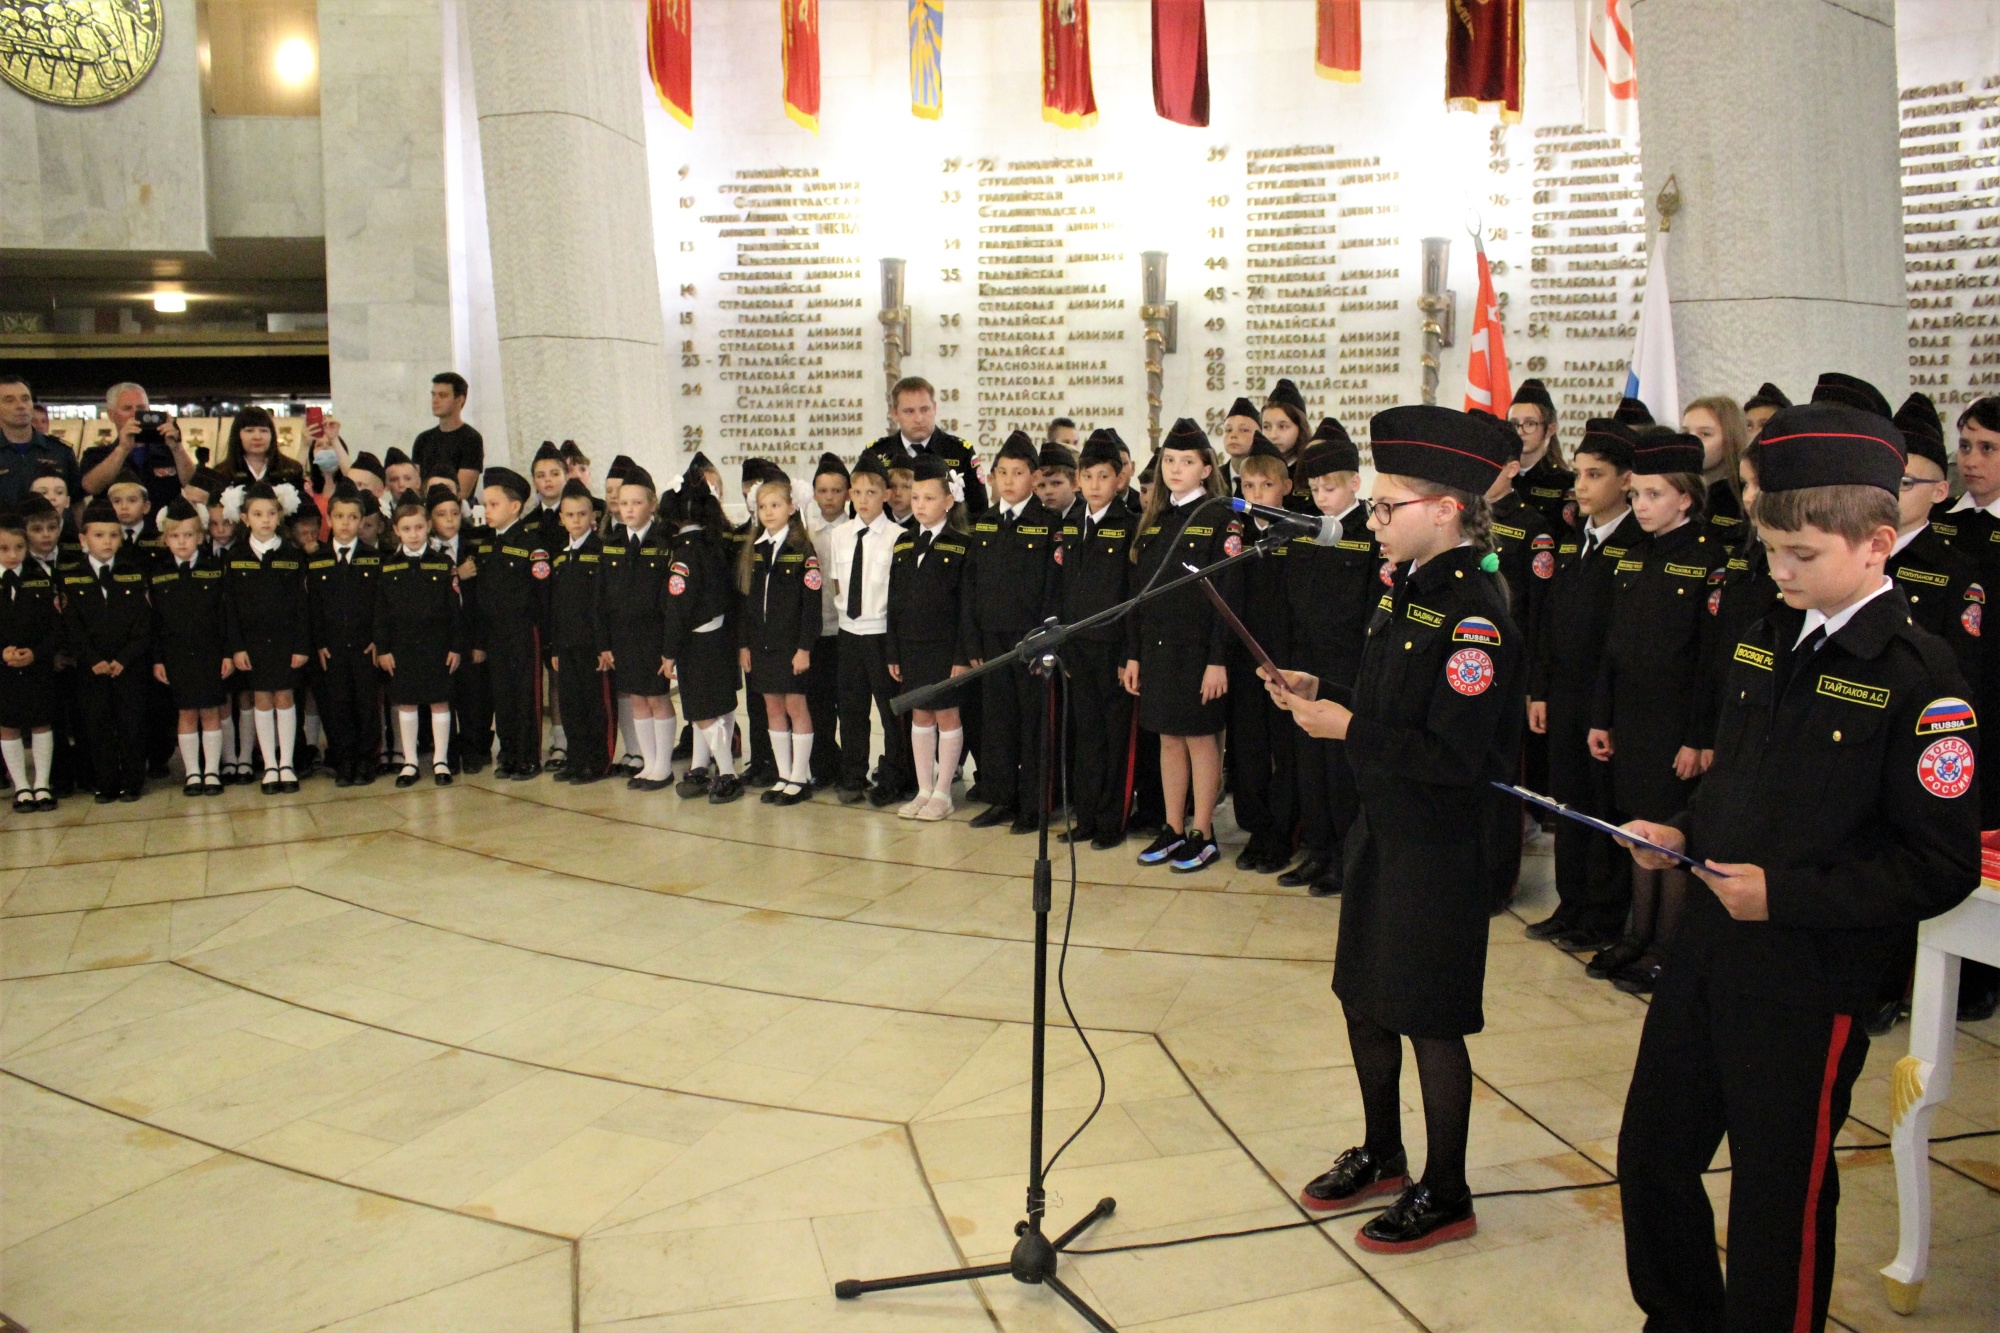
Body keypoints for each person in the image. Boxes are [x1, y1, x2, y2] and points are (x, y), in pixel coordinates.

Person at [1614, 401, 1979, 1333]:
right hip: (1707, 949)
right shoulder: (1770, 633)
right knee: (1653, 1153)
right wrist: (1684, 830)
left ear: (1878, 543)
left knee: (1780, 1197)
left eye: (1800, 554)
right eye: (1770, 548)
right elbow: (1745, 783)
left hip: (1809, 977)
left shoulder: (1919, 677)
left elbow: (1939, 867)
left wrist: (1784, 894)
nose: (1777, 570)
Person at [1271, 404, 1523, 1254]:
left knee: (1429, 1015)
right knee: (1363, 997)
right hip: (1385, 827)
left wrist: (1348, 729)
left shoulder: (1477, 615)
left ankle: (1446, 1188)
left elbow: (1454, 754)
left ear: (1445, 509)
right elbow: (1388, 691)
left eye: (1387, 507)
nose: (1373, 521)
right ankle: (1384, 1151)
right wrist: (1323, 685)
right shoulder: (1410, 590)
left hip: (1442, 842)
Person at [1586, 430, 1724, 994]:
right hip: (1633, 720)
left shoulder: (1711, 562)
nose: (1641, 506)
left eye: (1654, 495)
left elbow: (1710, 663)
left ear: (1686, 498)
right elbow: (1612, 647)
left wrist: (1698, 737)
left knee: (1668, 834)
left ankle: (1668, 946)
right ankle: (1638, 934)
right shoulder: (1632, 558)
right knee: (1637, 826)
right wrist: (1601, 716)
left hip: (1676, 724)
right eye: (1637, 495)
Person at [1525, 420, 1645, 950]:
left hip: (1605, 704)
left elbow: (1620, 642)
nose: (1581, 485)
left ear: (1625, 481)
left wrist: (1606, 710)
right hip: (1566, 697)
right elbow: (1551, 624)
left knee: (1602, 810)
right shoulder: (1580, 541)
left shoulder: (1636, 548)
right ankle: (1570, 903)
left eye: (1595, 475)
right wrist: (1541, 689)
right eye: (1578, 473)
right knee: (1566, 805)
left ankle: (1601, 915)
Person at [1121, 418, 1243, 873]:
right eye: (1169, 460)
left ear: (1206, 468)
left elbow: (1227, 596)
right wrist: (1132, 653)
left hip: (1198, 652)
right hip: (1158, 649)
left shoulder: (1220, 518)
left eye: (1186, 461)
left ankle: (1203, 831)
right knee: (1169, 739)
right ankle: (1173, 828)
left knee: (1200, 739)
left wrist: (1217, 661)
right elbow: (1137, 594)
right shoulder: (1152, 521)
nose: (1175, 469)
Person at [1277, 428, 1376, 896]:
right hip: (1305, 665)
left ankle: (1343, 857)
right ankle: (1316, 850)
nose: (1320, 497)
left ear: (1355, 484)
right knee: (1308, 766)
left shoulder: (1371, 532)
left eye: (1329, 487)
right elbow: (1295, 603)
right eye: (1314, 489)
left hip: (1346, 669)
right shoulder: (1305, 529)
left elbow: (1375, 608)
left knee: (1341, 771)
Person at [960, 430, 1061, 833]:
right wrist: (972, 639)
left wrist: (1042, 643)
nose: (1007, 480)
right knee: (997, 725)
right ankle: (1000, 797)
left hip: (1029, 644)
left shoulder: (1048, 524)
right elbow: (970, 588)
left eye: (1017, 472)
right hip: (991, 642)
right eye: (1001, 471)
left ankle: (1034, 806)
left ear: (1034, 479)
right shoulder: (984, 522)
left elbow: (1052, 591)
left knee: (1032, 725)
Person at [1055, 432, 1136, 848]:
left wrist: (1128, 653)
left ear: (1118, 478)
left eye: (1103, 476)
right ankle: (1086, 815)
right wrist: (1063, 645)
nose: (1094, 485)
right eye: (1087, 477)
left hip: (1113, 649)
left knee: (1115, 736)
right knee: (1086, 735)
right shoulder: (1071, 524)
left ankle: (1111, 821)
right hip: (1078, 647)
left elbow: (1135, 596)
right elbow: (1064, 590)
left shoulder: (1129, 526)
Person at [1227, 436, 1299, 873]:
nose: (1256, 495)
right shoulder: (1233, 535)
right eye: (1248, 486)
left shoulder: (1297, 533)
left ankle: (1283, 832)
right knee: (1248, 750)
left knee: (1284, 750)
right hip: (1242, 659)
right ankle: (1256, 829)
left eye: (1265, 486)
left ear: (1285, 487)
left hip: (1285, 659)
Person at [886, 454, 971, 820]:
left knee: (947, 715)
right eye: (916, 497)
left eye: (929, 498)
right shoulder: (904, 544)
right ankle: (924, 788)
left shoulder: (960, 545)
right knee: (920, 714)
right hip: (912, 648)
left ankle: (943, 791)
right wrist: (893, 650)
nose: (920, 505)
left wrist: (962, 655)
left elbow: (966, 608)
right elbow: (894, 602)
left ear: (949, 502)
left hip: (946, 649)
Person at [830, 455, 913, 807]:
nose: (864, 499)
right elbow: (837, 582)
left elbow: (898, 596)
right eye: (858, 492)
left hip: (881, 633)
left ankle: (895, 775)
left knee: (890, 710)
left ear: (887, 494)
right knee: (850, 708)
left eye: (872, 491)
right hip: (849, 631)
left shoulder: (899, 537)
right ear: (850, 494)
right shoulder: (840, 535)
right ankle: (853, 773)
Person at [739, 472, 824, 805]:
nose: (768, 512)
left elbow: (811, 605)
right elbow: (747, 602)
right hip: (763, 645)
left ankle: (800, 777)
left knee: (795, 705)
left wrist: (804, 647)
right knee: (772, 706)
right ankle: (783, 774)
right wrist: (745, 644)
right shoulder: (756, 550)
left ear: (791, 507)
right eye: (763, 507)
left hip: (791, 646)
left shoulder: (802, 549)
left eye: (775, 505)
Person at [661, 465, 744, 804]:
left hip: (697, 642)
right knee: (717, 707)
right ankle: (699, 766)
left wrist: (668, 652)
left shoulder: (684, 554)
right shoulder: (713, 543)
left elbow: (679, 608)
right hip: (720, 636)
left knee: (701, 710)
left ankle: (726, 772)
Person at [223, 480, 311, 794]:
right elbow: (229, 608)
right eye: (257, 513)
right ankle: (269, 765)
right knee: (261, 699)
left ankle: (286, 764)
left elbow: (303, 605)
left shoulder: (292, 555)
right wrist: (237, 648)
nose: (264, 519)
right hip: (254, 644)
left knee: (285, 697)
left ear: (279, 515)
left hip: (286, 642)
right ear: (245, 518)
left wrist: (302, 645)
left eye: (270, 513)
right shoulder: (235, 557)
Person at [63, 499, 152, 803]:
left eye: (114, 535)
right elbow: (71, 625)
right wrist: (93, 659)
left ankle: (132, 781)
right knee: (96, 726)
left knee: (132, 724)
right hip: (92, 668)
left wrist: (124, 658)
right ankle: (106, 782)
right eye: (99, 535)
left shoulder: (133, 573)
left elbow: (143, 623)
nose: (107, 541)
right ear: (83, 539)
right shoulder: (71, 577)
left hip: (128, 665)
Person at [375, 492, 465, 787]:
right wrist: (384, 648)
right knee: (407, 703)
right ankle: (410, 761)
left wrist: (455, 646)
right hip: (402, 648)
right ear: (396, 531)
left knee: (439, 702)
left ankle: (440, 759)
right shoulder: (388, 567)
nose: (413, 534)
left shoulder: (441, 564)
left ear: (428, 526)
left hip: (437, 646)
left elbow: (455, 611)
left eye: (418, 527)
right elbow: (382, 612)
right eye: (406, 529)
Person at [150, 497, 231, 795]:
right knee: (186, 714)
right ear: (165, 539)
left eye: (188, 535)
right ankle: (192, 773)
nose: (182, 542)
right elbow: (155, 622)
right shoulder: (159, 573)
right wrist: (158, 659)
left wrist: (226, 653)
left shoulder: (214, 568)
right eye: (175, 536)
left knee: (210, 712)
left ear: (199, 536)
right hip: (176, 654)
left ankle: (211, 772)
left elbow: (224, 616)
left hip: (209, 652)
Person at [603, 466, 676, 790]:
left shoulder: (664, 542)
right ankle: (648, 763)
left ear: (652, 505)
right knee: (636, 698)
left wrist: (670, 644)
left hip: (654, 634)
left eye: (636, 502)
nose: (629, 509)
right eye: (623, 502)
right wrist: (604, 641)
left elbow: (671, 598)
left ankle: (663, 765)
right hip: (624, 635)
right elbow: (600, 597)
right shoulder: (612, 542)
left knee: (658, 698)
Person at [474, 467, 550, 779]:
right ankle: (508, 753)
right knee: (502, 694)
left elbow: (541, 595)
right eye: (485, 505)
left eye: (493, 504)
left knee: (524, 694)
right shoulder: (486, 545)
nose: (487, 511)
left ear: (515, 506)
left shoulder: (533, 545)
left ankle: (528, 756)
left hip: (522, 630)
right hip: (495, 632)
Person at [308, 481, 383, 787]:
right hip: (333, 648)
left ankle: (367, 761)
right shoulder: (318, 560)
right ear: (329, 519)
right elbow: (312, 606)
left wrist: (379, 639)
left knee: (366, 705)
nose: (346, 523)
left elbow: (381, 604)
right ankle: (345, 760)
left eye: (353, 517)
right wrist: (319, 643)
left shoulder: (373, 558)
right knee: (337, 704)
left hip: (365, 646)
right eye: (339, 516)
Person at [546, 479, 613, 787]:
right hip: (568, 644)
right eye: (570, 515)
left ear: (592, 517)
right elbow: (557, 607)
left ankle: (597, 762)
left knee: (594, 705)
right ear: (561, 518)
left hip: (591, 645)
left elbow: (602, 606)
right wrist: (556, 648)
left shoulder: (600, 552)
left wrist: (603, 646)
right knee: (570, 704)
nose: (576, 520)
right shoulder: (560, 555)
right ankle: (576, 759)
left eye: (582, 514)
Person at [0, 512, 60, 811]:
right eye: (4, 549)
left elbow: (54, 627)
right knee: (8, 725)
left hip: (36, 665)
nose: (12, 555)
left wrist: (35, 653)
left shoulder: (39, 579)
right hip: (3, 669)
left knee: (40, 722)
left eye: (19, 548)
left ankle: (42, 784)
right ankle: (21, 786)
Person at [860, 377, 987, 516]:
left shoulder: (960, 452)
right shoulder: (876, 454)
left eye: (924, 409)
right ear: (894, 413)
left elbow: (979, 511)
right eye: (909, 411)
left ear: (935, 408)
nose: (919, 418)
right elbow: (860, 512)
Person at [803, 452, 850, 788]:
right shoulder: (806, 533)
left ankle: (851, 765)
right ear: (815, 494)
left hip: (848, 629)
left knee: (847, 702)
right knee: (818, 702)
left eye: (836, 490)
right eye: (823, 490)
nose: (830, 497)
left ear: (847, 493)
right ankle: (823, 762)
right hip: (817, 629)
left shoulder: (854, 528)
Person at [80, 381, 191, 505]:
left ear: (149, 410)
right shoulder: (96, 455)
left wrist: (177, 448)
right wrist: (122, 449)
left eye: (141, 408)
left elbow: (193, 485)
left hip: (161, 522)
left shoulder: (168, 452)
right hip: (116, 523)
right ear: (111, 415)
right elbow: (90, 487)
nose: (135, 415)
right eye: (127, 409)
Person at [0, 375, 82, 507]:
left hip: (52, 527)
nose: (21, 406)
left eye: (25, 399)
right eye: (9, 401)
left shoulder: (60, 451)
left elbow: (76, 503)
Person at [1682, 394, 1752, 544]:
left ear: (1731, 439)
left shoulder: (1748, 497)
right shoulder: (1674, 492)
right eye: (1685, 433)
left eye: (1705, 434)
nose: (1691, 442)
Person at [1507, 378, 1575, 533]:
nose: (1520, 431)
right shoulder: (1500, 478)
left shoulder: (1565, 483)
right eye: (1514, 423)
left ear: (1550, 429)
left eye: (1530, 423)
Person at [411, 372, 483, 499]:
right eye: (433, 395)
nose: (435, 400)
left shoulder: (471, 439)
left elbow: (462, 492)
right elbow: (415, 484)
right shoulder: (423, 439)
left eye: (442, 395)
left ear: (459, 400)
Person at [216, 406, 306, 487]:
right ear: (237, 435)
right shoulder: (222, 473)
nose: (257, 437)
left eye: (263, 431)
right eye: (249, 431)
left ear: (272, 435)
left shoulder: (291, 469)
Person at [1217, 398, 1261, 494]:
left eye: (1244, 430)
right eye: (1228, 430)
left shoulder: (1269, 477)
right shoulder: (1213, 478)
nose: (1233, 435)